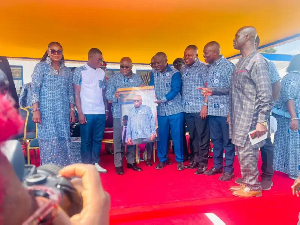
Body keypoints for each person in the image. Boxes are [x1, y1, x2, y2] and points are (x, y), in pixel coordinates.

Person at [228, 27, 273, 197]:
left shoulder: (258, 61)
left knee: (250, 151)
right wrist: (214, 91)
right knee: (243, 152)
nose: (234, 39)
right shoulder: (241, 61)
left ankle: (254, 188)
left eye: (236, 35)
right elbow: (235, 90)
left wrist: (262, 121)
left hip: (253, 118)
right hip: (239, 116)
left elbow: (265, 94)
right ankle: (248, 183)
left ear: (247, 37)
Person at [234, 36, 282, 190]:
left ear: (255, 44)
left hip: (261, 113)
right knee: (250, 145)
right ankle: (250, 177)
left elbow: (276, 86)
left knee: (264, 144)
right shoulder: (242, 63)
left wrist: (266, 109)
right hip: (246, 114)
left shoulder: (265, 63)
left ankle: (267, 176)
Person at [31, 42, 75, 166]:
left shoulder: (67, 71)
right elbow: (35, 89)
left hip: (62, 112)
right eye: (53, 51)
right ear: (48, 52)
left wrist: (72, 109)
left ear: (62, 53)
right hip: (46, 112)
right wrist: (35, 109)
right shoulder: (41, 67)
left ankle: (64, 171)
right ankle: (49, 171)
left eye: (59, 51)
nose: (56, 53)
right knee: (49, 142)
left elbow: (70, 91)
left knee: (63, 140)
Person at [200, 41, 235, 181]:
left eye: (206, 53)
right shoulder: (209, 68)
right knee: (216, 141)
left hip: (225, 111)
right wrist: (206, 105)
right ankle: (218, 166)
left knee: (228, 141)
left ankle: (228, 170)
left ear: (215, 52)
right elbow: (209, 90)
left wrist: (231, 112)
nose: (204, 55)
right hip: (213, 112)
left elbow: (233, 90)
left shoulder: (228, 66)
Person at [106, 57, 144, 175]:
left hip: (134, 114)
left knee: (132, 138)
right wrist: (115, 96)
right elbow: (108, 95)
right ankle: (118, 164)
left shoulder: (138, 79)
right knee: (118, 139)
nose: (123, 69)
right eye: (121, 66)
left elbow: (143, 94)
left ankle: (131, 162)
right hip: (118, 113)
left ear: (131, 66)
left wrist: (143, 90)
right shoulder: (113, 78)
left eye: (126, 67)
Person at [73, 48, 108, 173]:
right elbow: (76, 94)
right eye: (99, 60)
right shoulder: (79, 71)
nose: (101, 62)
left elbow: (103, 93)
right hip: (86, 111)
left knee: (98, 139)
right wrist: (80, 113)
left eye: (102, 60)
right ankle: (86, 166)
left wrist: (106, 109)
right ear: (91, 58)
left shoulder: (102, 73)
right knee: (86, 140)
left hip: (100, 111)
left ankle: (95, 162)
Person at [150, 52, 185, 171]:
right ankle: (162, 159)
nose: (157, 65)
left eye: (159, 63)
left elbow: (175, 89)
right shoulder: (153, 73)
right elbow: (150, 88)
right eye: (155, 63)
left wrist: (162, 99)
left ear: (166, 61)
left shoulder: (175, 73)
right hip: (160, 111)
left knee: (177, 136)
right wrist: (148, 94)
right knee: (162, 136)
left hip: (175, 110)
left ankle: (180, 160)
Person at [181, 45, 209, 174]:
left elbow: (208, 88)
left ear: (196, 55)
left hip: (199, 108)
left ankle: (203, 163)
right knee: (192, 136)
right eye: (185, 55)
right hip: (187, 108)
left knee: (202, 135)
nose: (187, 57)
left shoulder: (204, 68)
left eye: (190, 55)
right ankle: (194, 159)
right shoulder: (183, 69)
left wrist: (205, 105)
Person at [272, 54, 300, 180]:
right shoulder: (293, 78)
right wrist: (294, 117)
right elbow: (290, 98)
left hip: (292, 117)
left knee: (291, 145)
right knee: (293, 145)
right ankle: (294, 172)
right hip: (289, 118)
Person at [173, 58, 190, 160]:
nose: (178, 65)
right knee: (179, 132)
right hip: (177, 108)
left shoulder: (186, 75)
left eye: (180, 63)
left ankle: (193, 154)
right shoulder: (173, 76)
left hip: (189, 107)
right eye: (176, 64)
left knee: (192, 132)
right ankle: (183, 154)